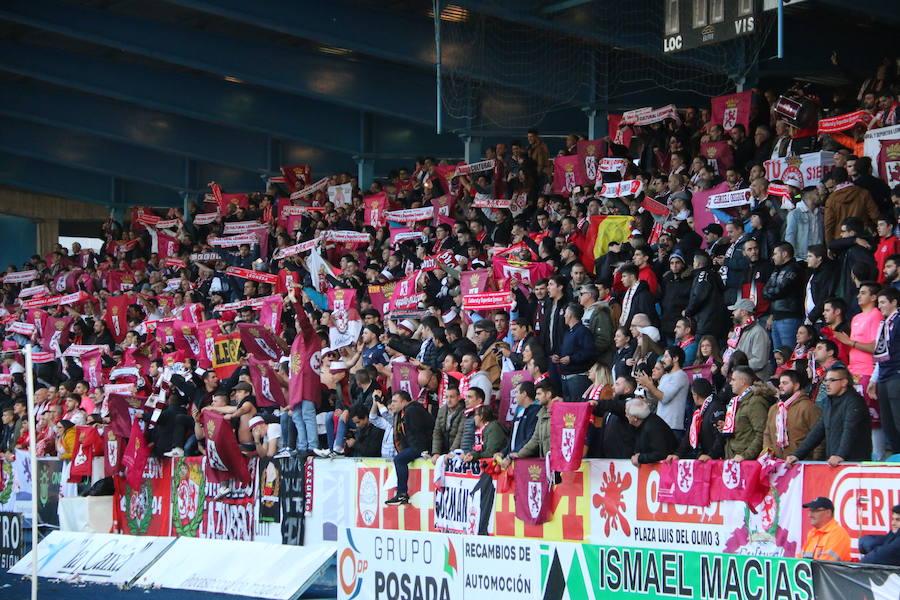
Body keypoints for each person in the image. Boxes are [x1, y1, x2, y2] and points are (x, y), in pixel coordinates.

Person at [786, 366, 872, 465]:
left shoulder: (855, 402)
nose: (827, 384)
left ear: (844, 382)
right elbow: (818, 431)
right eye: (826, 380)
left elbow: (850, 430)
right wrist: (797, 455)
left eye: (832, 380)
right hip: (835, 463)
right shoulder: (830, 401)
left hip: (854, 465)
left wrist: (840, 455)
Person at [385, 390, 434, 505]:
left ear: (403, 401)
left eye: (395, 401)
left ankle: (402, 493)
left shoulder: (412, 411)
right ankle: (401, 493)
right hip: (418, 445)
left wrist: (423, 451)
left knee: (399, 459)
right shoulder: (406, 411)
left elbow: (418, 432)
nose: (392, 404)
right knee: (400, 457)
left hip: (423, 446)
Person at [762, 370, 822, 459]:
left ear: (796, 386)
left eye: (785, 383)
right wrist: (768, 456)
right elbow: (767, 435)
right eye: (780, 383)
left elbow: (819, 438)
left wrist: (815, 462)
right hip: (777, 466)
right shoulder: (774, 409)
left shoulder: (808, 407)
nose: (780, 386)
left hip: (802, 465)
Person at [869, 287, 900, 454]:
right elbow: (880, 354)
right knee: (887, 423)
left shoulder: (898, 321)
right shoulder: (884, 324)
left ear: (894, 302)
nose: (879, 306)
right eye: (878, 302)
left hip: (896, 375)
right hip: (883, 377)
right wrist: (874, 379)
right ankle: (896, 456)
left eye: (882, 302)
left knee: (898, 420)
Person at [635, 346, 689, 439]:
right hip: (661, 425)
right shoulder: (665, 376)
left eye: (666, 356)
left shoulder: (680, 375)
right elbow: (657, 399)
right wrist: (648, 388)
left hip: (673, 427)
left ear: (675, 358)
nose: (663, 359)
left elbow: (664, 398)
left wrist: (649, 384)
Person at [720, 366, 771, 461]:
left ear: (743, 381)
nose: (730, 383)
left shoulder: (755, 402)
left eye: (733, 380)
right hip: (734, 458)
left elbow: (761, 433)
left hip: (745, 461)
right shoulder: (737, 401)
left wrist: (746, 455)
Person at [669, 378, 725, 461]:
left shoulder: (716, 408)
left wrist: (711, 455)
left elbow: (721, 436)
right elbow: (690, 433)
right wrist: (678, 454)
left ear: (696, 395)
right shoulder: (698, 410)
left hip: (716, 460)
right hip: (703, 457)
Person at [763, 242, 804, 352]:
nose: (773, 257)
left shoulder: (794, 269)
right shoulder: (777, 270)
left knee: (788, 353)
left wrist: (771, 291)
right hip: (777, 317)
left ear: (784, 254)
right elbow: (765, 291)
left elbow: (780, 290)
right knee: (779, 356)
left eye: (775, 254)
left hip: (790, 317)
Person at [554, 303, 595, 402]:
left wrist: (572, 359)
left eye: (566, 313)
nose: (564, 316)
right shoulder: (568, 333)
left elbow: (590, 352)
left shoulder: (583, 331)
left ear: (570, 315)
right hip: (565, 377)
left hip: (577, 378)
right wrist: (558, 357)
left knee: (578, 407)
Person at [724, 298, 772, 379]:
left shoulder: (758, 332)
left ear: (743, 312)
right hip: (741, 379)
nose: (733, 313)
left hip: (754, 384)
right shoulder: (740, 331)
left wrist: (735, 367)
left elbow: (759, 361)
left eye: (735, 310)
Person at [507, 381, 555, 461]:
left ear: (548, 394)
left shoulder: (559, 412)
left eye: (539, 394)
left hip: (559, 463)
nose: (536, 397)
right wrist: (519, 454)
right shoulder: (540, 414)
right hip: (547, 462)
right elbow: (535, 440)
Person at [625, 397, 678, 466]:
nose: (626, 416)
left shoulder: (652, 427)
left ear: (635, 418)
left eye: (627, 414)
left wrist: (640, 458)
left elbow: (660, 453)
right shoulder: (644, 424)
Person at [798, 496, 852, 561]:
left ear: (828, 513)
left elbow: (826, 566)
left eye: (815, 511)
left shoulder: (838, 534)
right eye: (810, 511)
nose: (810, 515)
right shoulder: (812, 534)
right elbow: (799, 560)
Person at [430, 387, 464, 458]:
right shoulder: (442, 410)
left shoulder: (464, 412)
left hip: (458, 452)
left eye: (452, 397)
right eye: (447, 397)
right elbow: (437, 432)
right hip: (445, 450)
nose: (449, 400)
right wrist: (436, 452)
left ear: (459, 397)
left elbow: (460, 435)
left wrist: (451, 452)